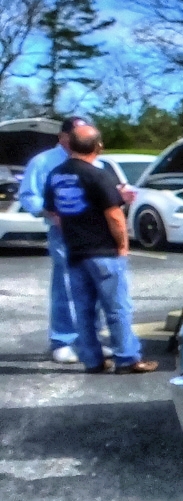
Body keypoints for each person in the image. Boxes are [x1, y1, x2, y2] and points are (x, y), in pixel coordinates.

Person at [42, 124, 156, 374]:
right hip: (103, 251)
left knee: (83, 310)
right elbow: (114, 215)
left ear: (69, 145)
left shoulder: (56, 175)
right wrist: (123, 245)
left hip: (75, 251)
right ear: (98, 146)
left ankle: (92, 360)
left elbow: (53, 212)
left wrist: (74, 231)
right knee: (116, 308)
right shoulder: (98, 174)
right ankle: (126, 358)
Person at [18, 116, 97, 363]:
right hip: (63, 231)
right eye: (78, 134)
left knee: (93, 285)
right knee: (66, 284)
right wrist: (48, 211)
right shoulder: (43, 162)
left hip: (94, 230)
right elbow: (29, 196)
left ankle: (89, 340)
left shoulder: (95, 159)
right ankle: (63, 339)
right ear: (62, 137)